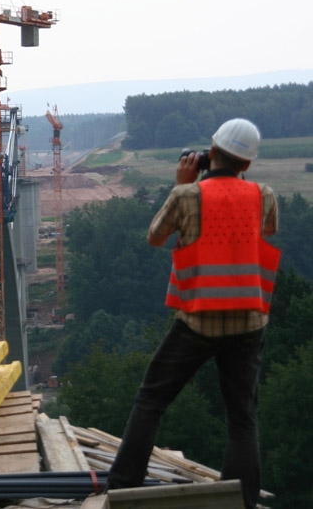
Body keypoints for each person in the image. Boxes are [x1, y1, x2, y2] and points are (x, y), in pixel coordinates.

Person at [107, 118, 280, 509]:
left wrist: (184, 183)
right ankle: (243, 501)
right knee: (242, 417)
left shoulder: (188, 196)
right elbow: (267, 231)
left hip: (197, 320)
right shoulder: (263, 194)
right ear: (247, 165)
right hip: (249, 321)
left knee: (151, 400)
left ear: (209, 153)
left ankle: (121, 485)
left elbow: (155, 237)